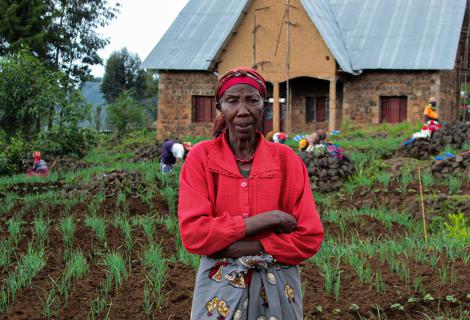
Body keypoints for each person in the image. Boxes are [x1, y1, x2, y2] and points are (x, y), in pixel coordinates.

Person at [178, 67, 324, 320]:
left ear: (263, 106)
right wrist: (271, 219)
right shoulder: (201, 158)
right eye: (232, 100)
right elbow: (194, 234)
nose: (242, 110)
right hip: (219, 289)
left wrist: (246, 246)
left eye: (252, 100)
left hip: (278, 288)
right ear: (220, 106)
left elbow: (309, 237)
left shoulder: (287, 160)